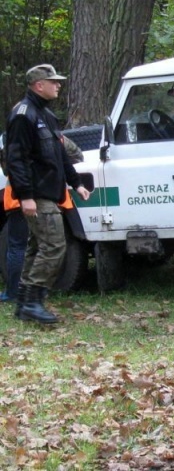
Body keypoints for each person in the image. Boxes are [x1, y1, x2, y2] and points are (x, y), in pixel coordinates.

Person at [4, 64, 90, 323]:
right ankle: (32, 302)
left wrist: (76, 183)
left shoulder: (47, 115)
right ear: (38, 85)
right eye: (53, 81)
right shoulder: (23, 115)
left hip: (50, 192)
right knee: (54, 246)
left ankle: (24, 303)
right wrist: (25, 196)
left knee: (37, 248)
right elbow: (15, 159)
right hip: (37, 194)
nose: (58, 85)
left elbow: (60, 154)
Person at [1, 136, 84, 303]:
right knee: (47, 245)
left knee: (19, 246)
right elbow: (77, 156)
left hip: (19, 198)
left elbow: (6, 167)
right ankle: (37, 291)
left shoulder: (14, 136)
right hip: (50, 197)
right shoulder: (55, 135)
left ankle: (15, 292)